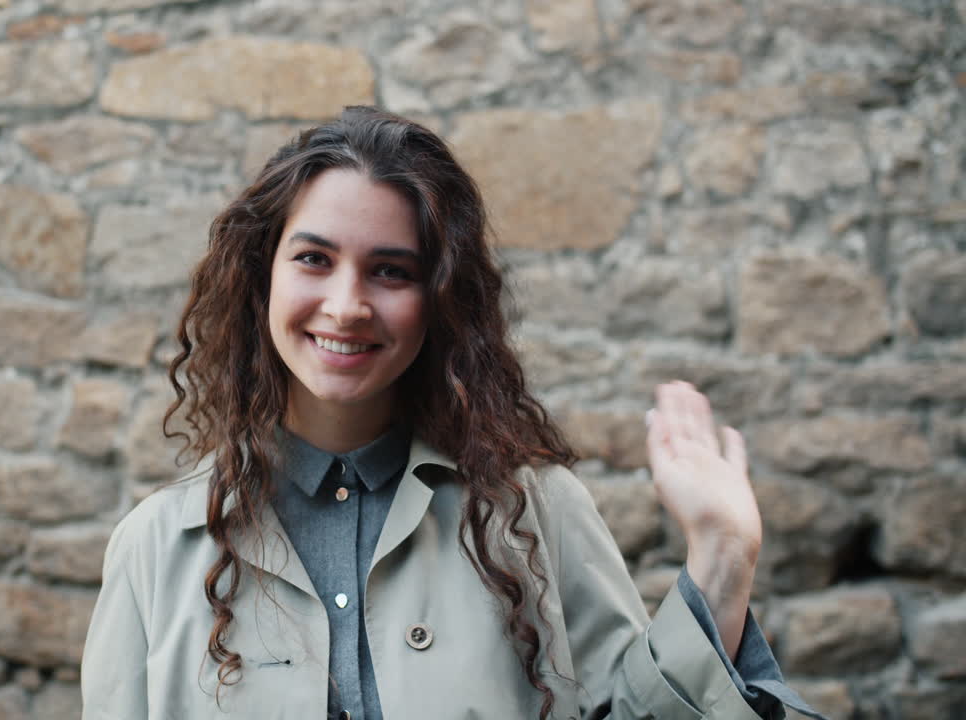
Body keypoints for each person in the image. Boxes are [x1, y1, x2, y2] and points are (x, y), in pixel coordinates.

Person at [81, 106, 824, 719]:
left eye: (391, 270)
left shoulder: (535, 514)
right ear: (260, 277)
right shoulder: (152, 551)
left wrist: (723, 558)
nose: (347, 305)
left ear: (438, 298)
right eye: (313, 259)